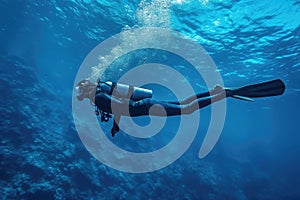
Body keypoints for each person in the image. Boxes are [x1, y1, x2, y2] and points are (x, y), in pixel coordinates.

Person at [75, 79, 285, 137]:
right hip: (147, 105)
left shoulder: (100, 98)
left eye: (81, 90)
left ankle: (224, 94)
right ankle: (216, 91)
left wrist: (116, 125)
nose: (80, 94)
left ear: (87, 90)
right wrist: (117, 126)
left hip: (147, 107)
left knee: (188, 109)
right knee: (185, 102)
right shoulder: (102, 93)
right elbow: (119, 107)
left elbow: (120, 109)